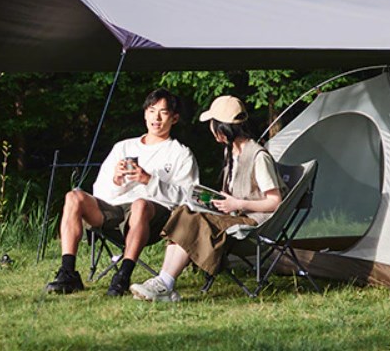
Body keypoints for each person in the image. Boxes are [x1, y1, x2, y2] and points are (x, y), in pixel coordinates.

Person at [129, 95, 286, 302]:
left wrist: (237, 203)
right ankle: (164, 282)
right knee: (184, 211)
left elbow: (275, 202)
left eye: (212, 123)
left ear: (221, 127)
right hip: (235, 215)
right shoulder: (232, 152)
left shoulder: (258, 156)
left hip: (254, 224)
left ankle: (165, 283)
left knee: (194, 220)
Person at [45, 88, 199, 296]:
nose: (156, 118)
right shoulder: (124, 147)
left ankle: (124, 275)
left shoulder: (180, 153)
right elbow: (100, 192)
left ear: (174, 118)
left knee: (140, 204)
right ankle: (68, 272)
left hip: (154, 218)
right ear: (145, 114)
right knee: (74, 196)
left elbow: (189, 197)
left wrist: (149, 181)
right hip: (115, 210)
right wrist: (116, 180)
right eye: (152, 111)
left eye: (163, 112)